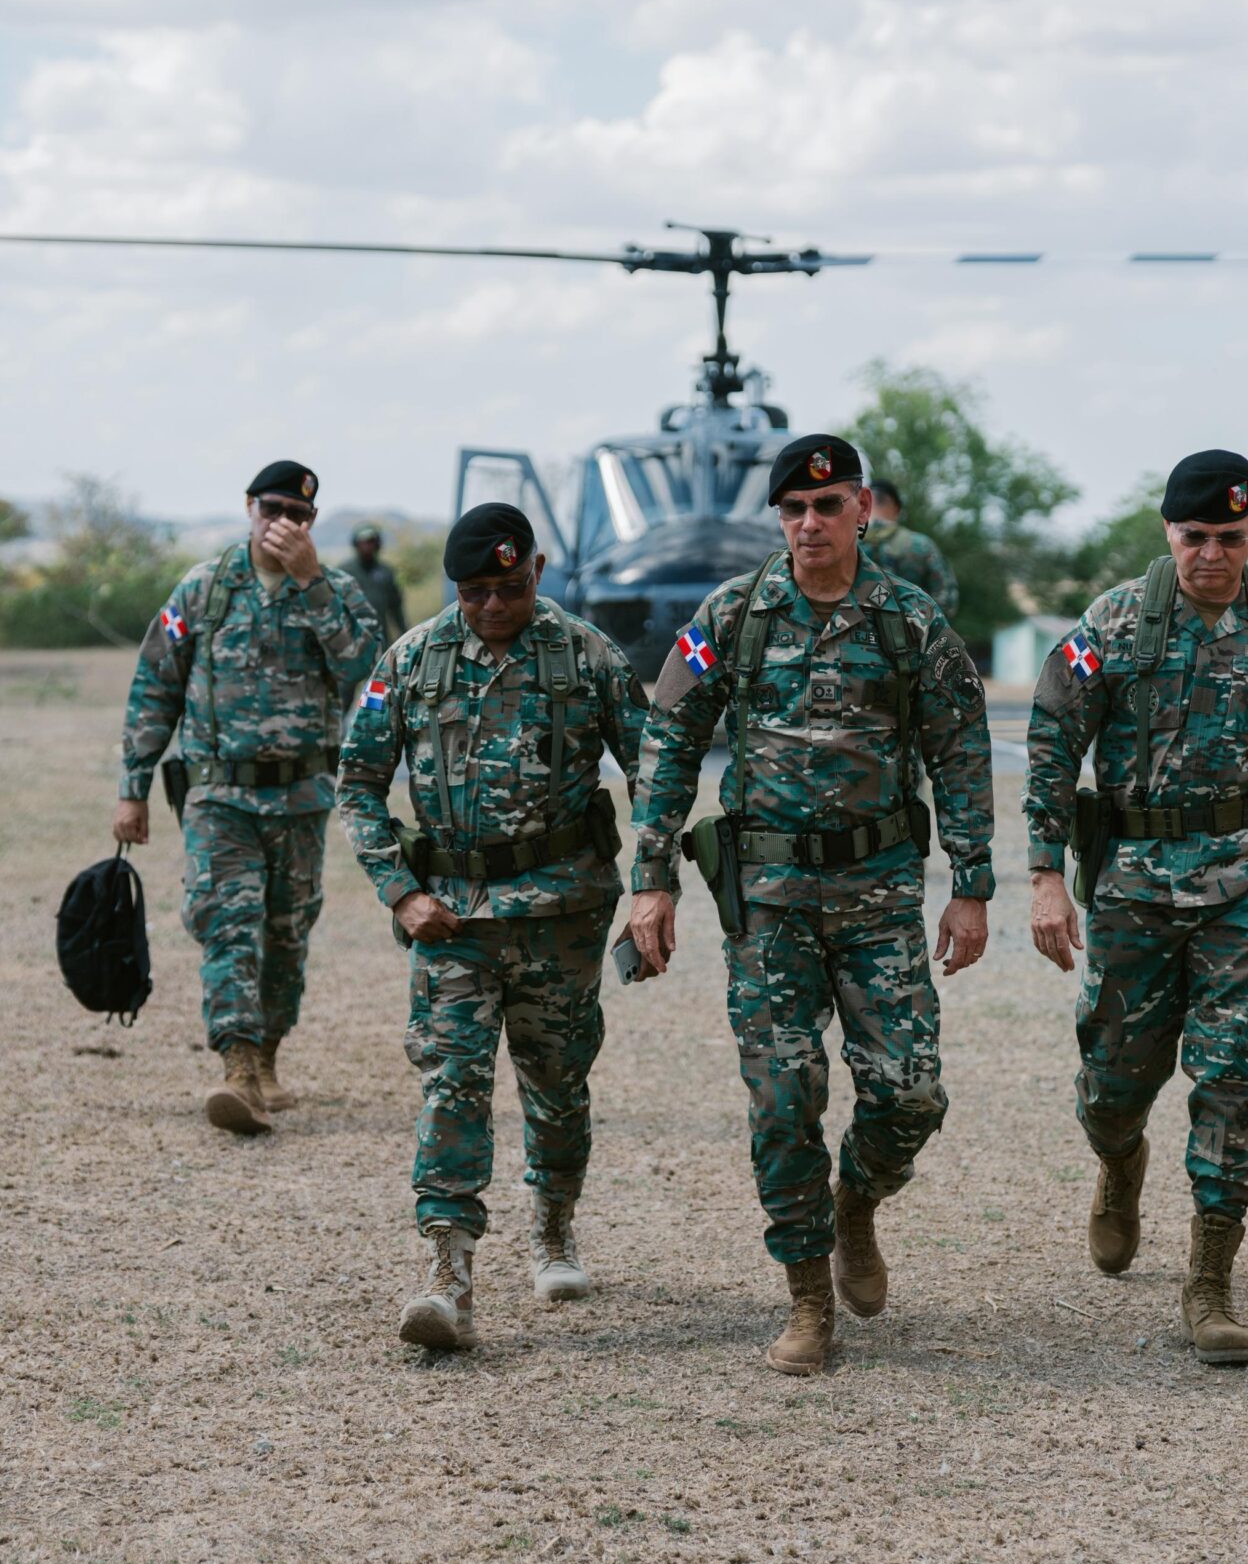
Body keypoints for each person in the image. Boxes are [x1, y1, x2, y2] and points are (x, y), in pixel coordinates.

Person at [628, 434, 994, 1377]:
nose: (809, 524)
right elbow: (670, 734)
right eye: (793, 509)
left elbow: (960, 748)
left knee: (910, 1091)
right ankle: (805, 1298)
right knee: (784, 1099)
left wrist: (973, 884)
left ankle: (856, 1204)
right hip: (770, 902)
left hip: (878, 897)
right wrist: (653, 875)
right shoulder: (735, 614)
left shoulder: (908, 622)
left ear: (862, 510)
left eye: (828, 507)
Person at [1022, 448, 1248, 1365]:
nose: (1211, 553)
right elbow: (1052, 741)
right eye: (1194, 536)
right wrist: (1043, 874)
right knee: (1112, 1081)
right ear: (1167, 533)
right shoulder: (1116, 625)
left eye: (1229, 535)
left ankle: (1210, 1278)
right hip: (1133, 883)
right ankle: (1118, 1158)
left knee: (1227, 1076)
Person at [337, 503, 649, 1350]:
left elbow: (651, 764)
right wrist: (401, 892)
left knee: (556, 1083)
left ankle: (553, 1222)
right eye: (475, 592)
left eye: (510, 588)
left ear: (538, 571)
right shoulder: (412, 660)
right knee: (453, 1080)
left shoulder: (586, 654)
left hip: (562, 912)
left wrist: (655, 885)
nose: (493, 607)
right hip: (451, 919)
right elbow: (358, 783)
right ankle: (448, 1267)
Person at [113, 460, 381, 1135]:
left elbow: (365, 669)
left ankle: (266, 1056)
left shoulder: (334, 590)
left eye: (299, 515)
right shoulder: (205, 589)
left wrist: (311, 583)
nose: (283, 524)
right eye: (272, 509)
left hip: (301, 798)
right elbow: (155, 685)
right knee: (230, 923)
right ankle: (236, 1069)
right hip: (218, 797)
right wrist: (133, 788)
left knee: (286, 935)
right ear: (248, 507)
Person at [863, 479, 959, 618]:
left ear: (864, 504)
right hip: (911, 635)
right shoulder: (921, 545)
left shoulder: (846, 544)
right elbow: (947, 602)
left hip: (854, 636)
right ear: (896, 508)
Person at [351, 523, 410, 648]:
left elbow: (396, 608)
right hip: (352, 641)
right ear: (356, 544)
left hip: (380, 640)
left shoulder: (386, 572)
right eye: (363, 542)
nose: (367, 546)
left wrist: (406, 635)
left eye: (371, 541)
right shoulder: (345, 572)